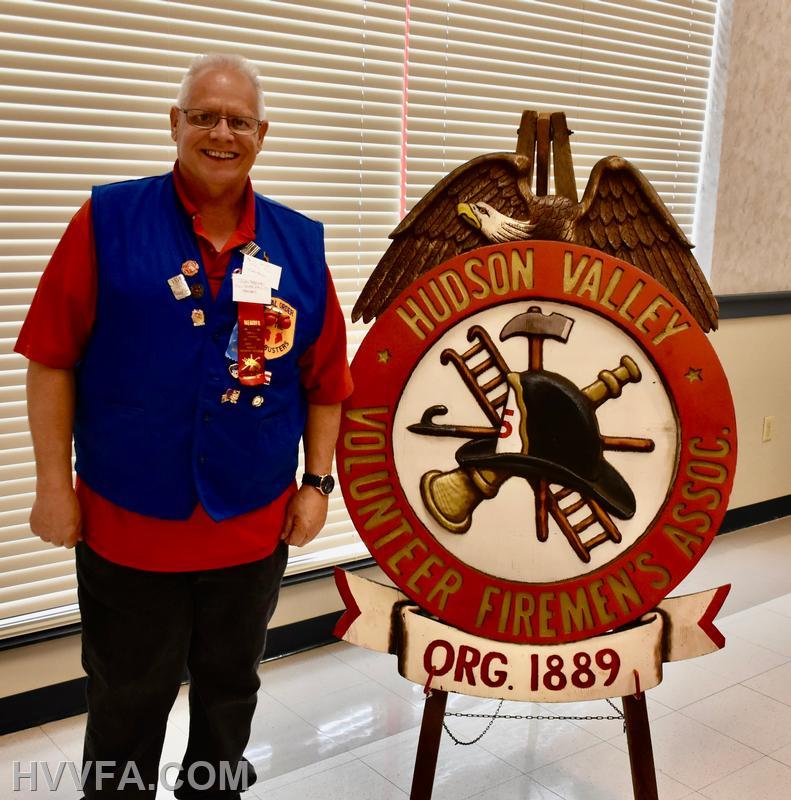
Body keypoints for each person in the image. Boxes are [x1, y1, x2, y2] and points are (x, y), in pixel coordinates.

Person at [15, 53, 352, 798]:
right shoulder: (106, 220)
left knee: (229, 696)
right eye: (203, 115)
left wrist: (316, 484)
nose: (220, 132)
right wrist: (51, 485)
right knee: (126, 701)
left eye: (237, 120)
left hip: (250, 522)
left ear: (262, 134)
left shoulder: (299, 243)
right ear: (175, 123)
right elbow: (49, 359)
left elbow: (326, 383)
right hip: (129, 524)